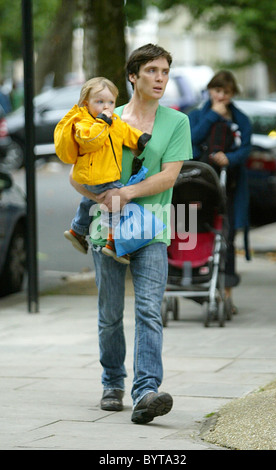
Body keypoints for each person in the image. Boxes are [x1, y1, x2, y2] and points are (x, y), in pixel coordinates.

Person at [67, 44, 193, 424]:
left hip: (152, 230)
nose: (160, 78)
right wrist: (100, 197)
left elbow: (169, 176)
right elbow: (79, 175)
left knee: (149, 312)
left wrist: (126, 193)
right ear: (133, 76)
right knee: (109, 315)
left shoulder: (177, 122)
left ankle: (146, 392)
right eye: (152, 70)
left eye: (165, 71)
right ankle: (112, 383)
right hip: (106, 230)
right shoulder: (104, 116)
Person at [54, 77, 151, 264]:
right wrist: (102, 122)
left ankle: (77, 230)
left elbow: (124, 131)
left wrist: (139, 139)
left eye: (111, 102)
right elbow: (90, 141)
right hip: (95, 174)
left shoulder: (113, 120)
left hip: (103, 173)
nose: (106, 107)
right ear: (86, 103)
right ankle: (113, 243)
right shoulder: (83, 122)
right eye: (99, 102)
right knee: (116, 202)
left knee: (89, 200)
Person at [188, 70, 252, 314]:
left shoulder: (241, 119)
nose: (221, 96)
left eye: (226, 92)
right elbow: (190, 140)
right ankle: (190, 280)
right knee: (191, 231)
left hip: (231, 186)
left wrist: (230, 158)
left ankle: (227, 294)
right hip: (198, 186)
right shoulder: (196, 115)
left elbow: (245, 148)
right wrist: (213, 116)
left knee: (226, 238)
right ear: (210, 91)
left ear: (232, 93)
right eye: (217, 91)